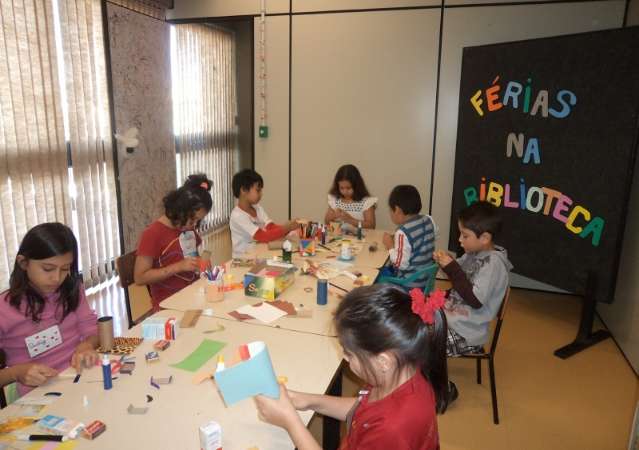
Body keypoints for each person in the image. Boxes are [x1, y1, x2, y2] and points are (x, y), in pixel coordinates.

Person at [254, 284, 449, 450]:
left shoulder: (392, 429)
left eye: (349, 353)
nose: (345, 359)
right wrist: (307, 401)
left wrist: (291, 422)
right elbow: (363, 410)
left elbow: (377, 422)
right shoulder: (401, 371)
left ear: (383, 361)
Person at [0, 223, 98, 396]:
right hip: (37, 395)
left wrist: (87, 345)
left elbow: (92, 330)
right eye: (47, 269)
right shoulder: (4, 309)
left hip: (79, 379)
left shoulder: (72, 290)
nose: (56, 278)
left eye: (65, 269)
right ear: (23, 263)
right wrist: (16, 373)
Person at [433, 201, 512, 399]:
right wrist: (443, 262)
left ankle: (442, 389)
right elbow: (459, 279)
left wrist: (451, 267)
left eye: (465, 235)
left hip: (468, 332)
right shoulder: (473, 253)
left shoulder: (493, 264)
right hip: (454, 320)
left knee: (420, 345)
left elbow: (475, 300)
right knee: (411, 330)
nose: (460, 240)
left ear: (485, 238)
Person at [135, 174, 213, 310]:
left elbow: (190, 257)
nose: (193, 225)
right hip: (168, 305)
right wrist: (178, 267)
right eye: (192, 219)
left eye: (197, 221)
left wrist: (200, 262)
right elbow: (140, 277)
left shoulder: (187, 228)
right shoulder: (152, 234)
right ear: (179, 209)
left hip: (192, 295)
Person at [229, 169, 298, 258]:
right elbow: (262, 236)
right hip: (243, 260)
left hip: (258, 255)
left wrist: (290, 227)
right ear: (243, 190)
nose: (261, 194)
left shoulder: (258, 208)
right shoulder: (237, 215)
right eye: (258, 190)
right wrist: (286, 228)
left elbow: (270, 227)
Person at [382, 185, 437, 289]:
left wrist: (390, 246)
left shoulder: (402, 232)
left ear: (397, 210)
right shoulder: (429, 219)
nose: (390, 213)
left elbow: (400, 264)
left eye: (390, 210)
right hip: (427, 280)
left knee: (379, 274)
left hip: (409, 284)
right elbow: (427, 238)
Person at [325, 164, 377, 231]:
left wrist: (350, 220)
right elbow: (326, 221)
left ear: (357, 186)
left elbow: (371, 226)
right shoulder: (335, 200)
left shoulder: (366, 202)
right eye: (341, 188)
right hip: (339, 239)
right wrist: (334, 215)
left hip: (360, 239)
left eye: (348, 188)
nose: (345, 192)